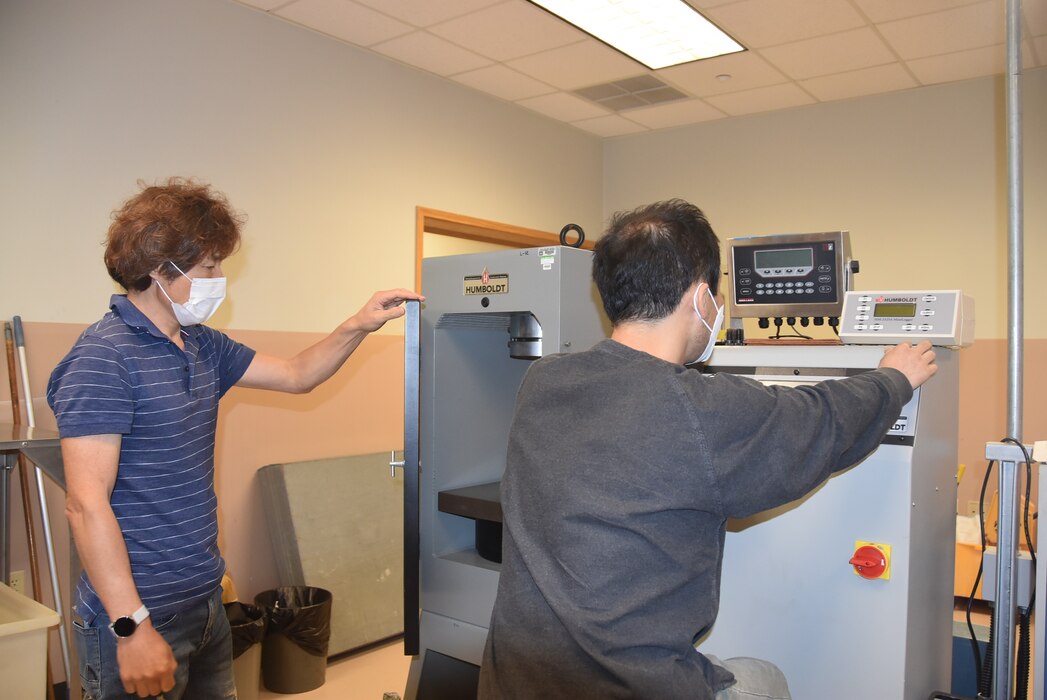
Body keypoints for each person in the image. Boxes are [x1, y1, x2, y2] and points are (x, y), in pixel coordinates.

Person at [477, 199, 937, 699]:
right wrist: (895, 379)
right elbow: (821, 420)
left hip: (515, 682)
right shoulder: (701, 407)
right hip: (628, 688)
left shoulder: (542, 380)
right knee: (766, 678)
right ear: (701, 298)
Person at [46, 177, 423, 700]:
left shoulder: (201, 344)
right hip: (138, 619)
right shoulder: (103, 358)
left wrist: (358, 324)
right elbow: (86, 506)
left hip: (205, 608)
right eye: (208, 267)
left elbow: (296, 374)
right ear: (160, 269)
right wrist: (131, 628)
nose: (219, 279)